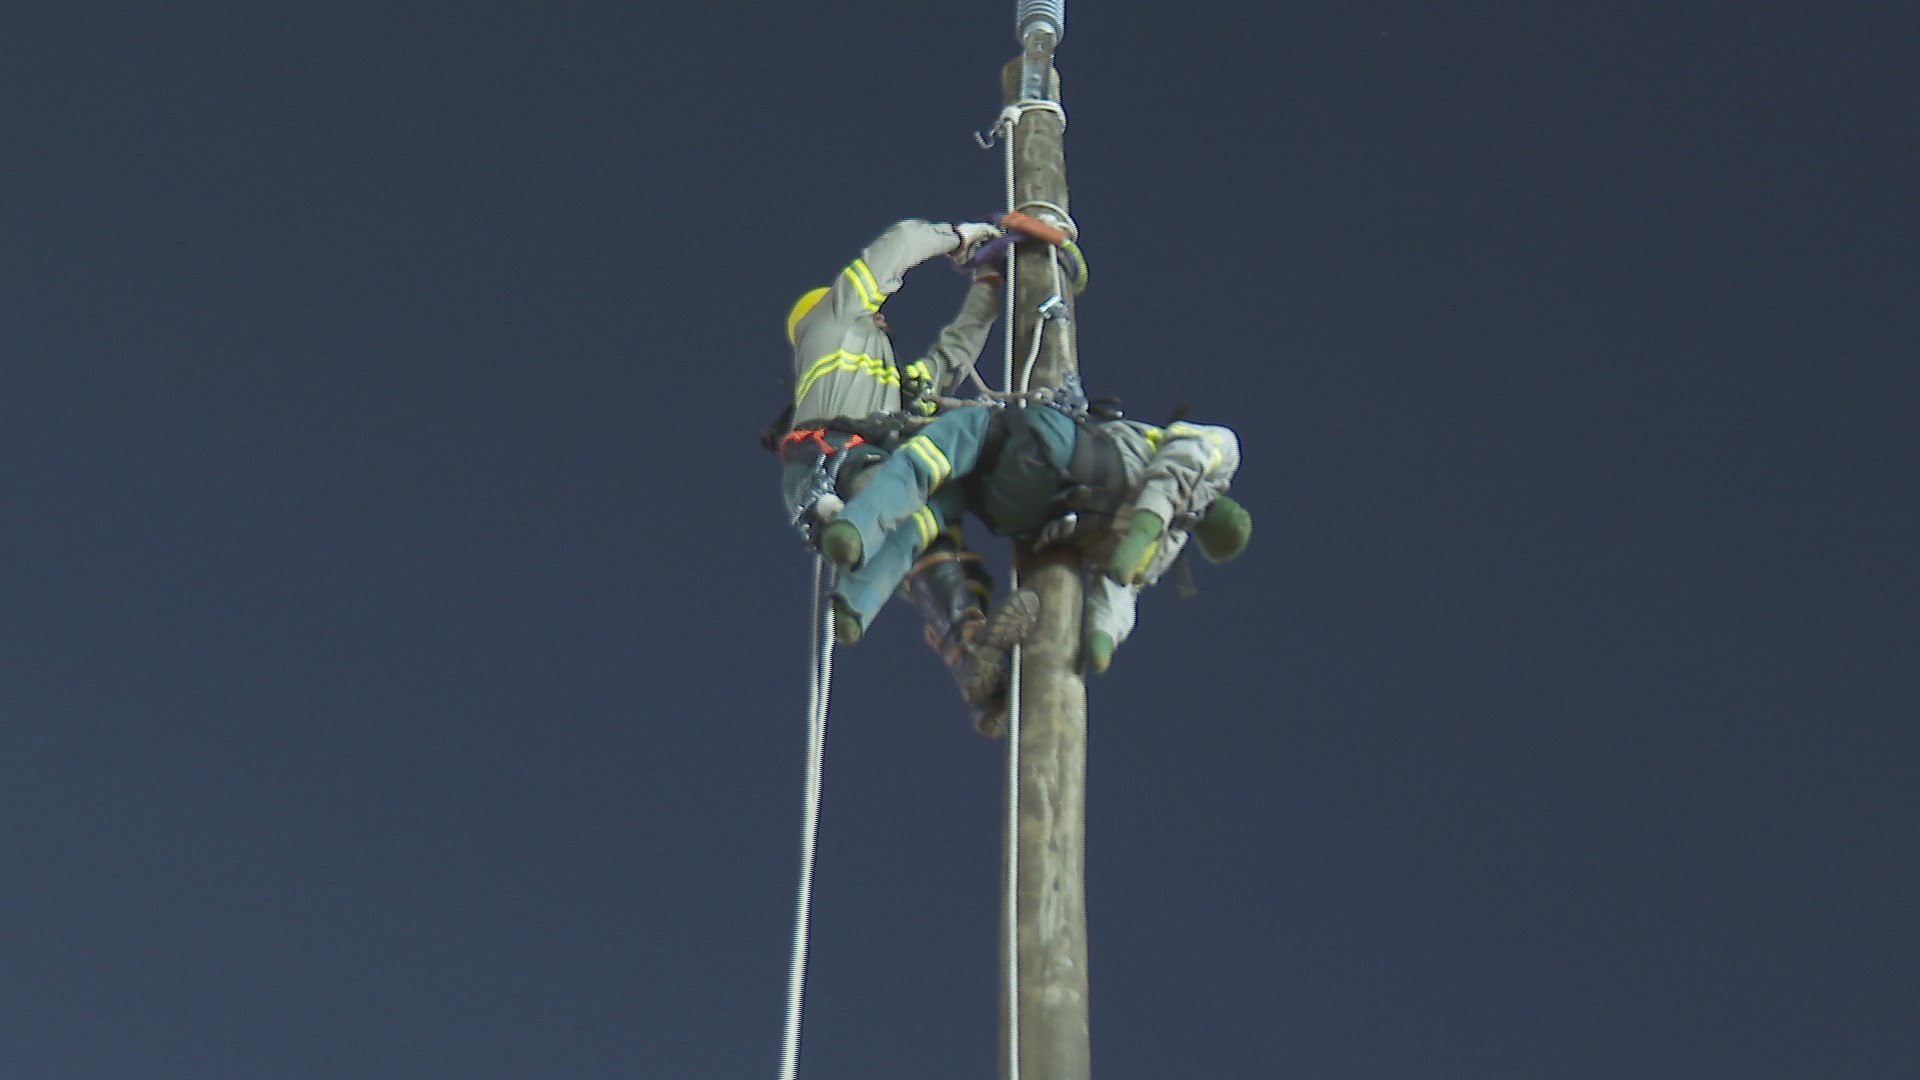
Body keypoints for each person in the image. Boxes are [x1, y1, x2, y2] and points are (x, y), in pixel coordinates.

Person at [771, 218, 1040, 734]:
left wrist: (989, 285)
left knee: (937, 538)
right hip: (836, 459)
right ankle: (857, 558)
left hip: (858, 464)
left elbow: (951, 357)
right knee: (910, 516)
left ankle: (978, 671)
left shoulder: (887, 383)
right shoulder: (833, 319)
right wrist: (959, 237)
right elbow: (896, 246)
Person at [817, 390, 1252, 675]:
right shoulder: (1160, 555)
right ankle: (856, 611)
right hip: (1021, 515)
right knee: (934, 514)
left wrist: (1144, 528)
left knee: (937, 452)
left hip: (1047, 446)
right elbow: (1117, 593)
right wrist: (1101, 641)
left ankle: (856, 538)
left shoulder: (1217, 454)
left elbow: (1173, 474)